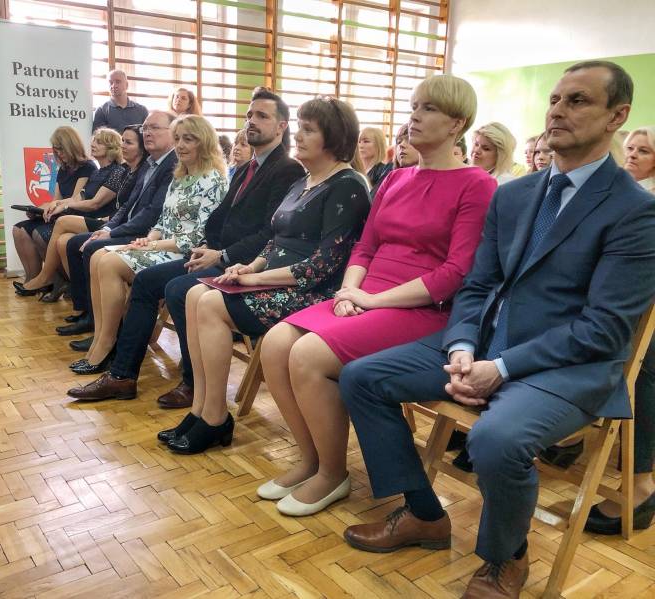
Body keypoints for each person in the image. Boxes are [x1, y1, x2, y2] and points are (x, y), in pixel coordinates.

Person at [338, 61, 655, 599]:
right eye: (554, 99)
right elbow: (478, 284)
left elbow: (603, 330)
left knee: (495, 439)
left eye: (578, 100)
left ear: (616, 116)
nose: (558, 111)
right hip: (484, 345)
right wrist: (463, 344)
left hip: (564, 367)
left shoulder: (635, 211)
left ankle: (506, 557)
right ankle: (424, 514)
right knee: (362, 377)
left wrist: (501, 367)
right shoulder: (514, 195)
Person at [257, 75, 496, 517]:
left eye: (428, 108)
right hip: (367, 293)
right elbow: (366, 245)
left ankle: (333, 473)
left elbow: (455, 273)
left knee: (308, 356)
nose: (414, 116)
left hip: (421, 307)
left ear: (457, 123)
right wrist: (350, 289)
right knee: (274, 344)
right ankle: (310, 459)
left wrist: (371, 300)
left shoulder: (477, 184)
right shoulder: (396, 178)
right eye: (414, 106)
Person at [158, 97, 371, 456]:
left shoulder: (348, 185)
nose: (297, 136)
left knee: (210, 304)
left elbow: (324, 265)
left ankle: (215, 417)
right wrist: (251, 267)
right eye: (299, 127)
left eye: (308, 130)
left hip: (312, 291)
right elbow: (275, 239)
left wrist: (257, 279)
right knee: (194, 295)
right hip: (275, 279)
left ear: (334, 138)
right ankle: (201, 409)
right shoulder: (303, 181)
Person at [66, 88, 305, 405]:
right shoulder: (250, 168)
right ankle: (122, 375)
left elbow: (268, 233)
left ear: (281, 126)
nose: (251, 121)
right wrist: (206, 246)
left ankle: (191, 382)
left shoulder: (286, 169)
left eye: (262, 116)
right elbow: (219, 219)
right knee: (147, 283)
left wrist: (220, 254)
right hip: (215, 254)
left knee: (178, 289)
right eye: (249, 115)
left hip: (244, 263)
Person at [69, 115, 227, 375]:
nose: (181, 145)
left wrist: (154, 246)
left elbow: (196, 238)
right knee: (98, 258)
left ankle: (107, 345)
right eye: (178, 139)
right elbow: (163, 220)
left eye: (189, 139)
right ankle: (101, 338)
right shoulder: (180, 176)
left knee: (109, 263)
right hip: (163, 246)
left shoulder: (214, 181)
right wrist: (149, 238)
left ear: (205, 142)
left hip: (184, 254)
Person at [584, 124, 655, 535]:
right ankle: (565, 438)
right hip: (628, 306)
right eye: (629, 148)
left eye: (643, 151)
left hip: (644, 315)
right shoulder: (620, 194)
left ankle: (641, 483)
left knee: (642, 368)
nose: (631, 155)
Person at [58, 111, 178, 338]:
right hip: (132, 228)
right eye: (145, 128)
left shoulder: (172, 165)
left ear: (173, 133)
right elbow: (127, 206)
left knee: (90, 248)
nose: (147, 133)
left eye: (154, 128)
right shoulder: (149, 164)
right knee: (75, 243)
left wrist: (111, 232)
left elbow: (151, 213)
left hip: (146, 234)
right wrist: (107, 230)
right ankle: (91, 317)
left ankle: (102, 328)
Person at [14, 126, 147, 300]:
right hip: (100, 220)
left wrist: (62, 207)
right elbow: (77, 198)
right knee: (60, 239)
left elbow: (95, 203)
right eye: (93, 141)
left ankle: (48, 278)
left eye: (99, 142)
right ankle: (78, 294)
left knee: (61, 224)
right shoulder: (98, 172)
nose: (93, 145)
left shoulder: (117, 171)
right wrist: (55, 205)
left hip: (104, 221)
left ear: (111, 148)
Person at [12, 126, 96, 283]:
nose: (59, 154)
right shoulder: (63, 169)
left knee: (39, 233)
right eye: (56, 150)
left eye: (61, 149)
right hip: (59, 214)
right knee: (19, 229)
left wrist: (53, 207)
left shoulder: (88, 167)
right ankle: (33, 279)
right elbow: (55, 199)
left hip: (74, 217)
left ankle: (57, 280)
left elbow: (75, 200)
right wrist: (38, 210)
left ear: (71, 146)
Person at [358, 127, 392, 193]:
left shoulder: (384, 171)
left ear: (379, 145)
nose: (360, 146)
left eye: (366, 141)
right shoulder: (354, 169)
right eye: (359, 142)